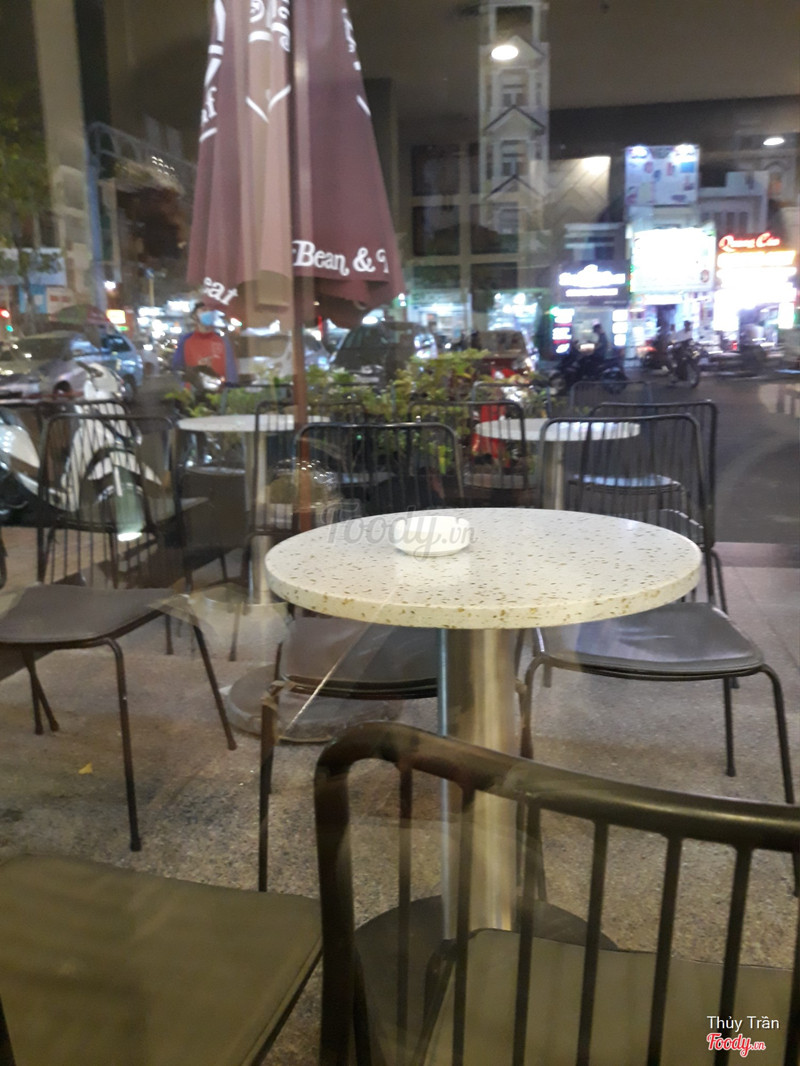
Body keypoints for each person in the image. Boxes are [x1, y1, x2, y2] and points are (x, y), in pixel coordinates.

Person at [172, 301, 238, 382]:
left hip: (219, 388)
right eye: (204, 310)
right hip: (193, 388)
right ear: (194, 316)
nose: (208, 313)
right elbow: (178, 368)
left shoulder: (222, 341)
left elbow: (231, 371)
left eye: (211, 310)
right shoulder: (186, 341)